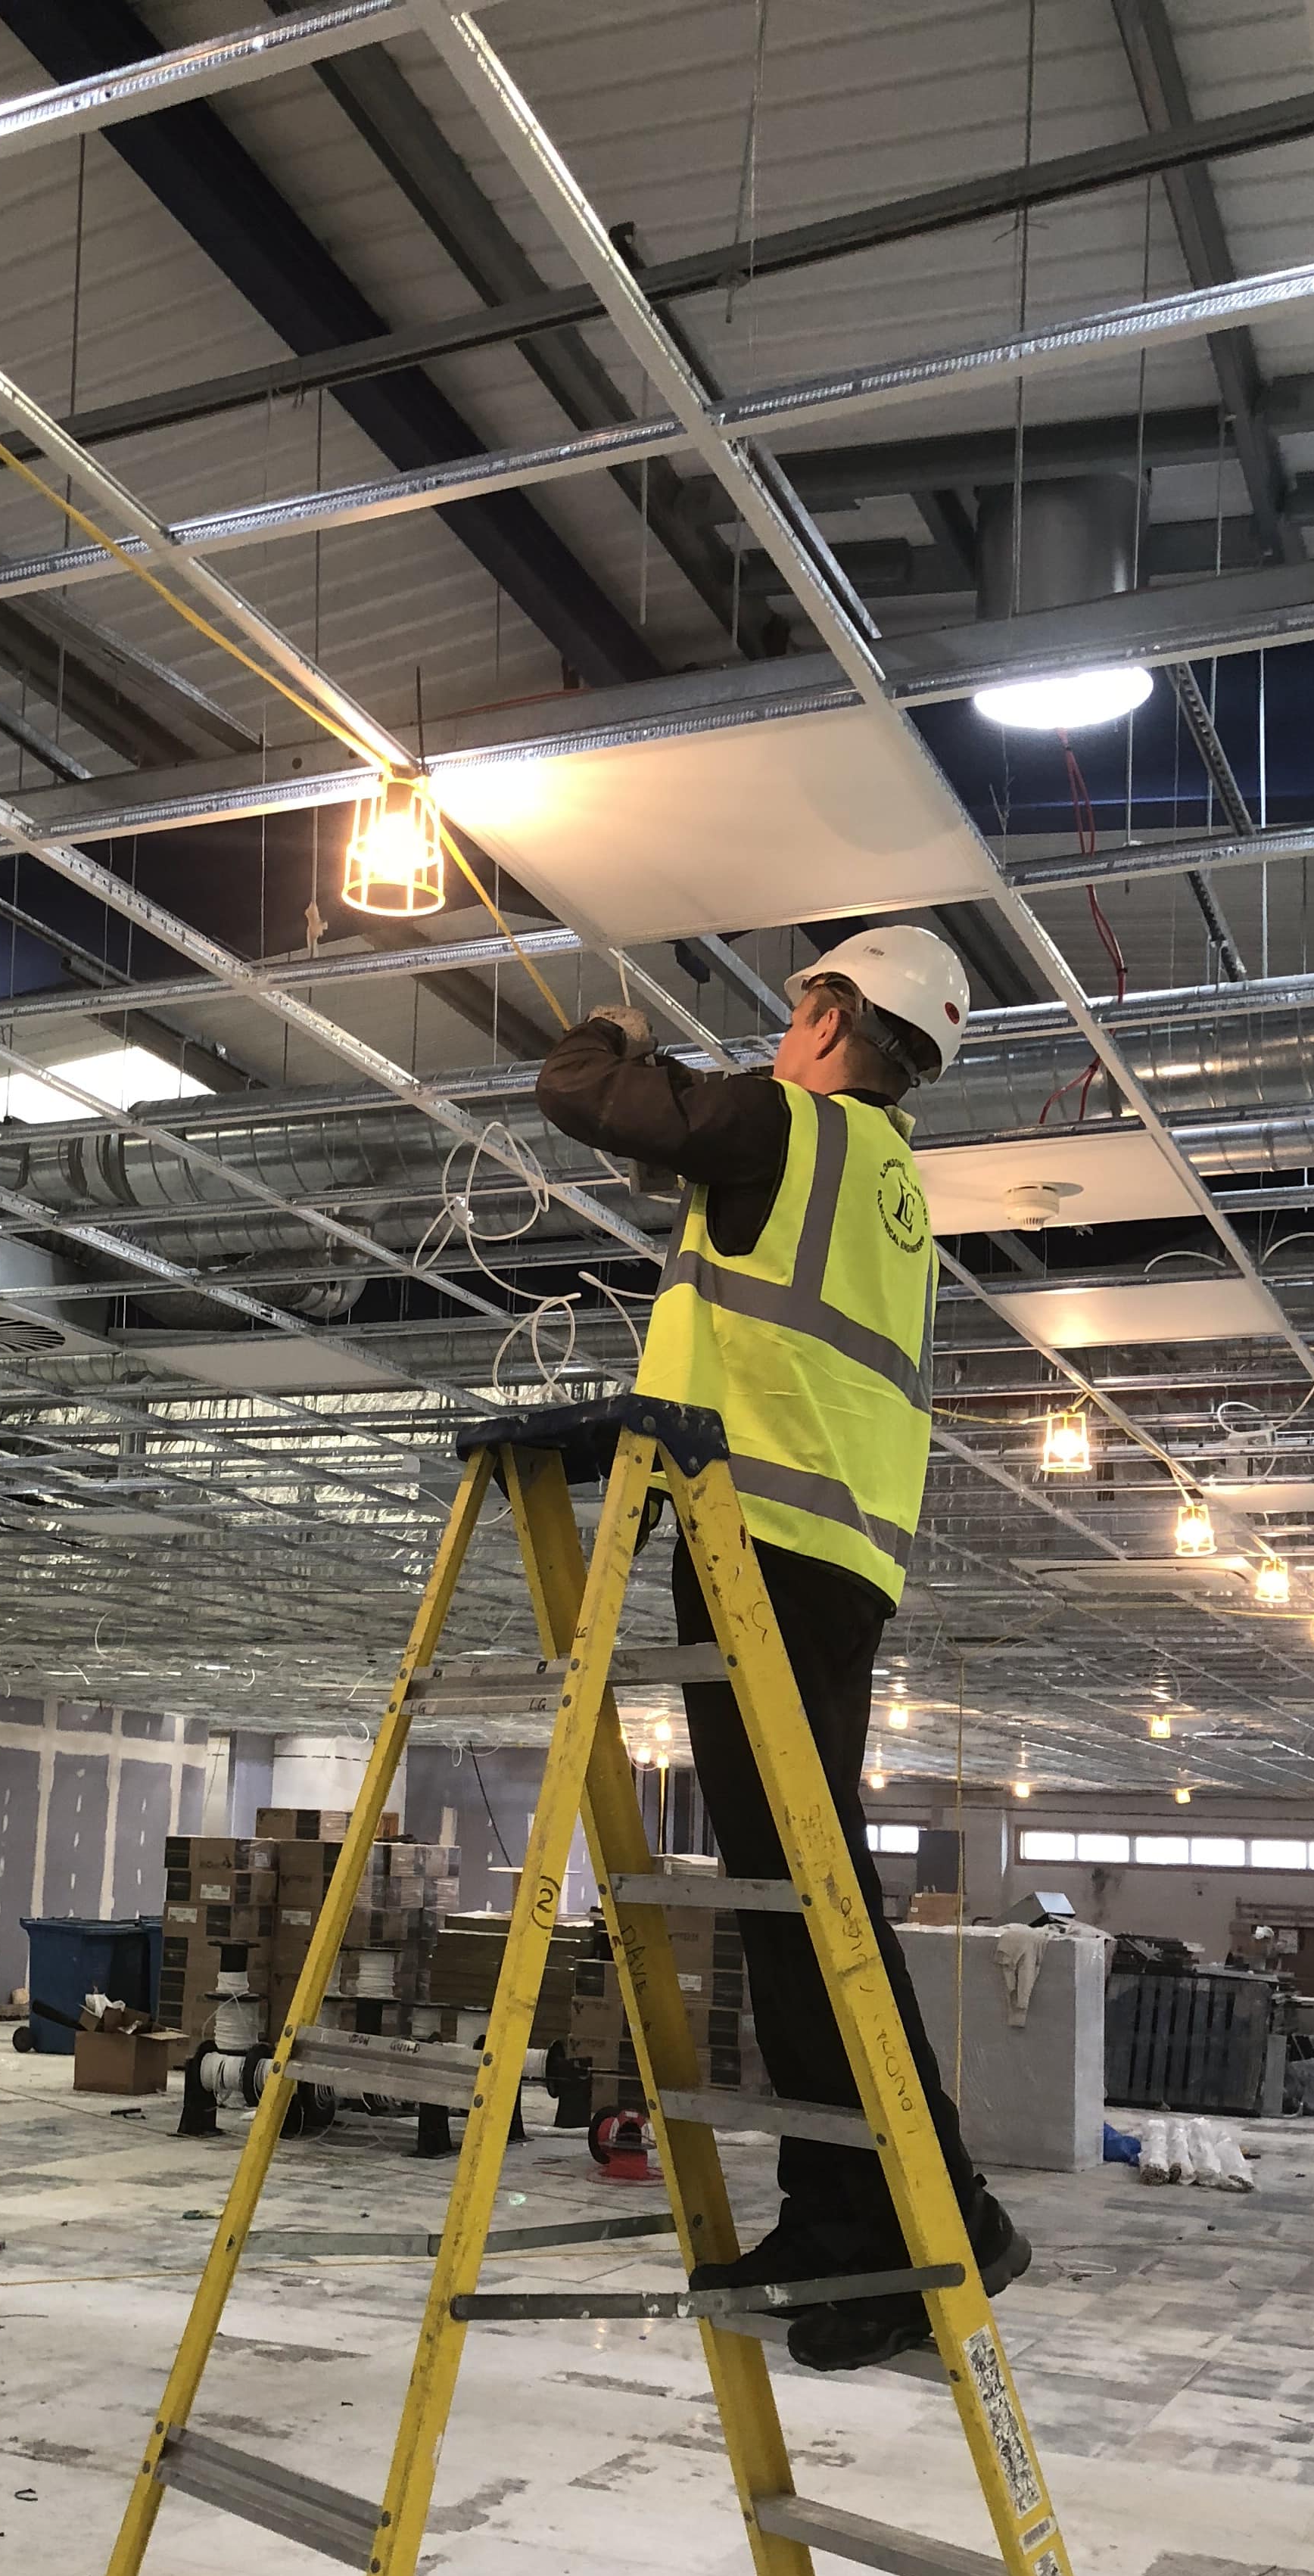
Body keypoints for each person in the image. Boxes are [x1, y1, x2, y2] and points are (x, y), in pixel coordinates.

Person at [535, 927, 1026, 2369]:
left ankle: (908, 2213)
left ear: (826, 1018)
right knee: (797, 1886)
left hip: (758, 1532)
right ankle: (855, 2209)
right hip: (831, 1550)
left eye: (791, 1009)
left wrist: (604, 1034)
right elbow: (706, 1170)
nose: (773, 1032)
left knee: (800, 1890)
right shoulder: (881, 1182)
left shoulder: (783, 1123)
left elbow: (586, 1093)